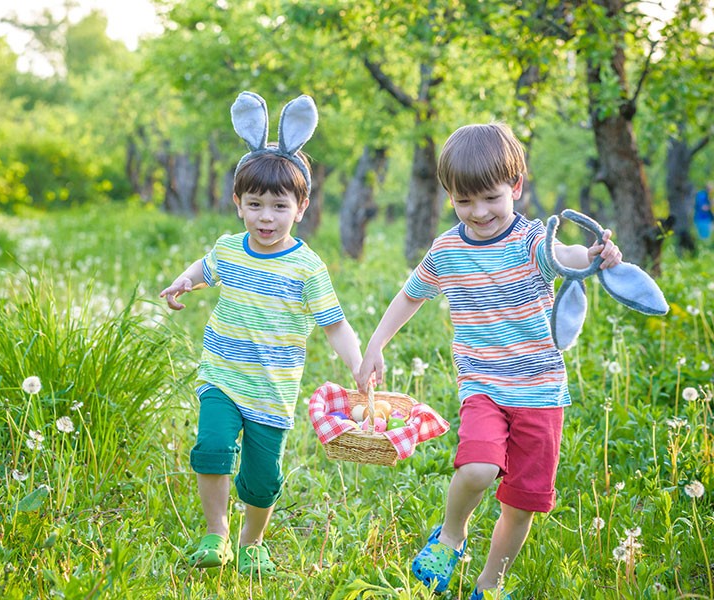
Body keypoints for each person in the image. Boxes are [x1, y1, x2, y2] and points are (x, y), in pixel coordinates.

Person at [356, 123, 622, 599]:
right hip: (483, 383)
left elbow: (567, 253)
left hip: (540, 392)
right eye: (463, 202)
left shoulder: (532, 242)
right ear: (449, 197)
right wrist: (375, 345)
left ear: (516, 186)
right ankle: (451, 536)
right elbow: (410, 296)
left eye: (491, 198)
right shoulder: (447, 250)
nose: (478, 213)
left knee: (520, 505)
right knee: (477, 470)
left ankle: (490, 581)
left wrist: (599, 253)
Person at [160, 92, 362, 577]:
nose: (265, 217)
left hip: (272, 390)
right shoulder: (229, 249)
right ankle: (218, 534)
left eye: (278, 205)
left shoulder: (306, 266)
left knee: (262, 478)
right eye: (254, 204)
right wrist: (186, 279)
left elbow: (334, 323)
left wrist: (359, 365)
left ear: (301, 206)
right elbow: (206, 268)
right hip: (222, 375)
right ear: (238, 204)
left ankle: (253, 540)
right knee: (210, 448)